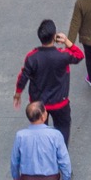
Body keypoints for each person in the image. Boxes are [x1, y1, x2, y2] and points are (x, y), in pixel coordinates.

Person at [13, 19, 84, 147]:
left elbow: (23, 77)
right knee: (63, 129)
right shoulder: (63, 55)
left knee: (41, 134)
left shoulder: (32, 57)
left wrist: (18, 94)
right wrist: (67, 41)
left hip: (39, 104)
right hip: (60, 102)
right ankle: (61, 155)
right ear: (54, 36)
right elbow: (79, 55)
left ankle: (45, 155)